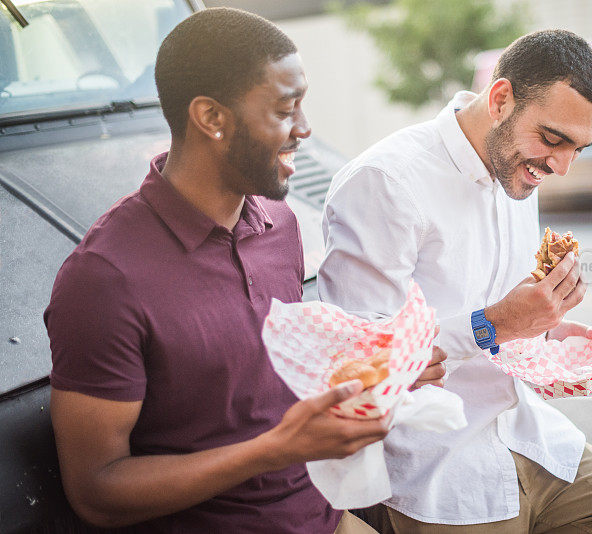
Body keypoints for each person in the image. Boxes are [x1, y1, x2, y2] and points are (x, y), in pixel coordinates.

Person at [44, 8, 443, 533]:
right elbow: (96, 492)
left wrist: (376, 373)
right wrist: (274, 450)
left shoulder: (280, 221)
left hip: (324, 515)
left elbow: (257, 378)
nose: (304, 129)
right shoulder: (102, 279)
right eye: (284, 109)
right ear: (211, 118)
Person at [318, 30, 592, 533]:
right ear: (500, 100)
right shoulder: (386, 181)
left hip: (532, 437)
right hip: (436, 473)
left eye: (579, 149)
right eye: (554, 139)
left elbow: (497, 316)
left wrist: (545, 334)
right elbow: (361, 363)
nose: (561, 166)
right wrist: (494, 325)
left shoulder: (517, 170)